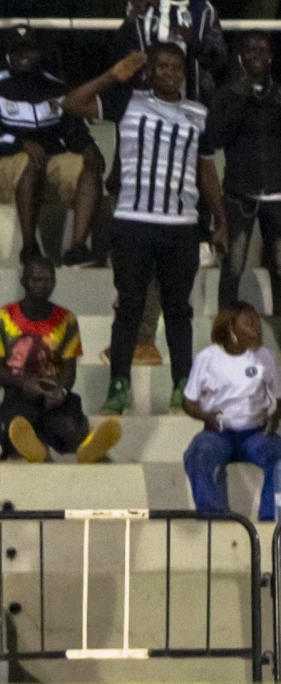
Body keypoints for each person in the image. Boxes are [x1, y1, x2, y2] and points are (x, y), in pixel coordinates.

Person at [62, 45, 228, 415]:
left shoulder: (197, 113)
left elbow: (207, 171)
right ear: (150, 72)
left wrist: (221, 220)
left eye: (176, 67)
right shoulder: (128, 102)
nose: (169, 73)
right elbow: (71, 104)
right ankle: (118, 386)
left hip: (181, 226)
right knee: (130, 307)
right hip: (134, 222)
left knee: (178, 310)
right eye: (162, 67)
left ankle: (182, 386)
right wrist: (111, 76)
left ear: (184, 72)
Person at [0, 27, 104, 266]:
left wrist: (88, 146)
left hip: (46, 165)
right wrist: (20, 144)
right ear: (7, 54)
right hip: (0, 168)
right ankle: (29, 247)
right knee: (28, 160)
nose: (24, 56)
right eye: (17, 51)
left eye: (29, 50)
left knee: (89, 163)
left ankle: (77, 249)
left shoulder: (56, 88)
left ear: (39, 53)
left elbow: (74, 130)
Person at [0, 256, 123, 463]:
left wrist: (62, 391)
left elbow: (69, 369)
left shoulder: (66, 319)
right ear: (24, 281)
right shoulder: (2, 317)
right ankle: (37, 451)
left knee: (68, 425)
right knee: (16, 424)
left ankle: (88, 447)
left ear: (54, 282)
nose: (42, 285)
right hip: (18, 391)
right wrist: (23, 383)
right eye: (35, 279)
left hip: (53, 392)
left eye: (47, 280)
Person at [181, 302, 281, 520]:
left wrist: (273, 417)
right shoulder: (207, 358)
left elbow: (278, 398)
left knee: (278, 456)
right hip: (218, 434)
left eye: (257, 323)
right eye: (248, 323)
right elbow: (188, 402)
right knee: (197, 454)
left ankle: (270, 523)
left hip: (255, 434)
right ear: (230, 328)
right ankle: (212, 518)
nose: (256, 328)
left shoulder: (265, 357)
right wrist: (206, 415)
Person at [208, 32, 281, 309]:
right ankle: (225, 334)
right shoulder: (227, 94)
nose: (257, 56)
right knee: (233, 268)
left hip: (277, 196)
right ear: (240, 56)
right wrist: (240, 99)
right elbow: (214, 138)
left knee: (280, 268)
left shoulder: (278, 94)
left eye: (263, 51)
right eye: (250, 50)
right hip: (240, 195)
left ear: (271, 58)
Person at [113, 0, 226, 104]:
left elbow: (219, 59)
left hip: (192, 100)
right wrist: (132, 19)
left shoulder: (204, 10)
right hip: (143, 99)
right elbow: (117, 50)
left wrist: (195, 44)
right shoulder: (144, 2)